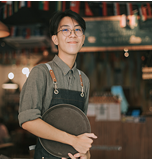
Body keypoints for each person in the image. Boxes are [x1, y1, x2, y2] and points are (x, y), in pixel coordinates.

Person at [18, 10, 95, 159]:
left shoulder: (83, 79)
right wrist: (73, 140)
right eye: (65, 29)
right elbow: (27, 121)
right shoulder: (41, 73)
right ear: (55, 39)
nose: (72, 34)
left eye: (77, 30)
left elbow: (80, 125)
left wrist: (86, 153)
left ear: (83, 38)